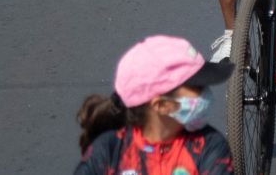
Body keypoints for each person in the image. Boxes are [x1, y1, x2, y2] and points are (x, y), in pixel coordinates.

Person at [73, 35, 234, 175]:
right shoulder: (108, 150)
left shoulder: (210, 146)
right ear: (161, 105)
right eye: (196, 87)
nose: (206, 93)